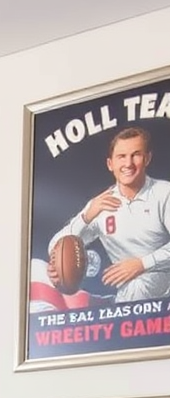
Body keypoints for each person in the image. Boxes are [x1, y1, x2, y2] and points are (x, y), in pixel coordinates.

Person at [48, 126, 170, 303]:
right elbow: (55, 247)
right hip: (130, 290)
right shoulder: (100, 204)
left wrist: (142, 264)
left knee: (138, 286)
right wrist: (86, 217)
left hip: (163, 280)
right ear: (110, 164)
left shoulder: (164, 193)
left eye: (136, 155)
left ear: (147, 159)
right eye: (121, 157)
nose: (128, 163)